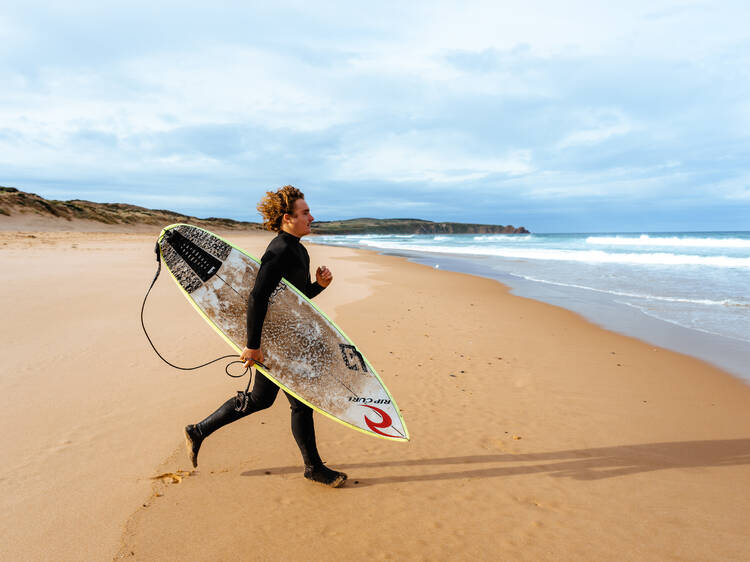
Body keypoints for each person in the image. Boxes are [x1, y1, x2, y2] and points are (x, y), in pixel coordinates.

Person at [184, 185, 347, 488]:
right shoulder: (280, 250)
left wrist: (319, 286)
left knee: (261, 399)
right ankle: (314, 468)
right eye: (305, 212)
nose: (312, 217)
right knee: (300, 403)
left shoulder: (297, 248)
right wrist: (253, 346)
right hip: (275, 343)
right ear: (288, 217)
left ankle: (198, 431)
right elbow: (257, 297)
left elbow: (293, 300)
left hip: (284, 339)